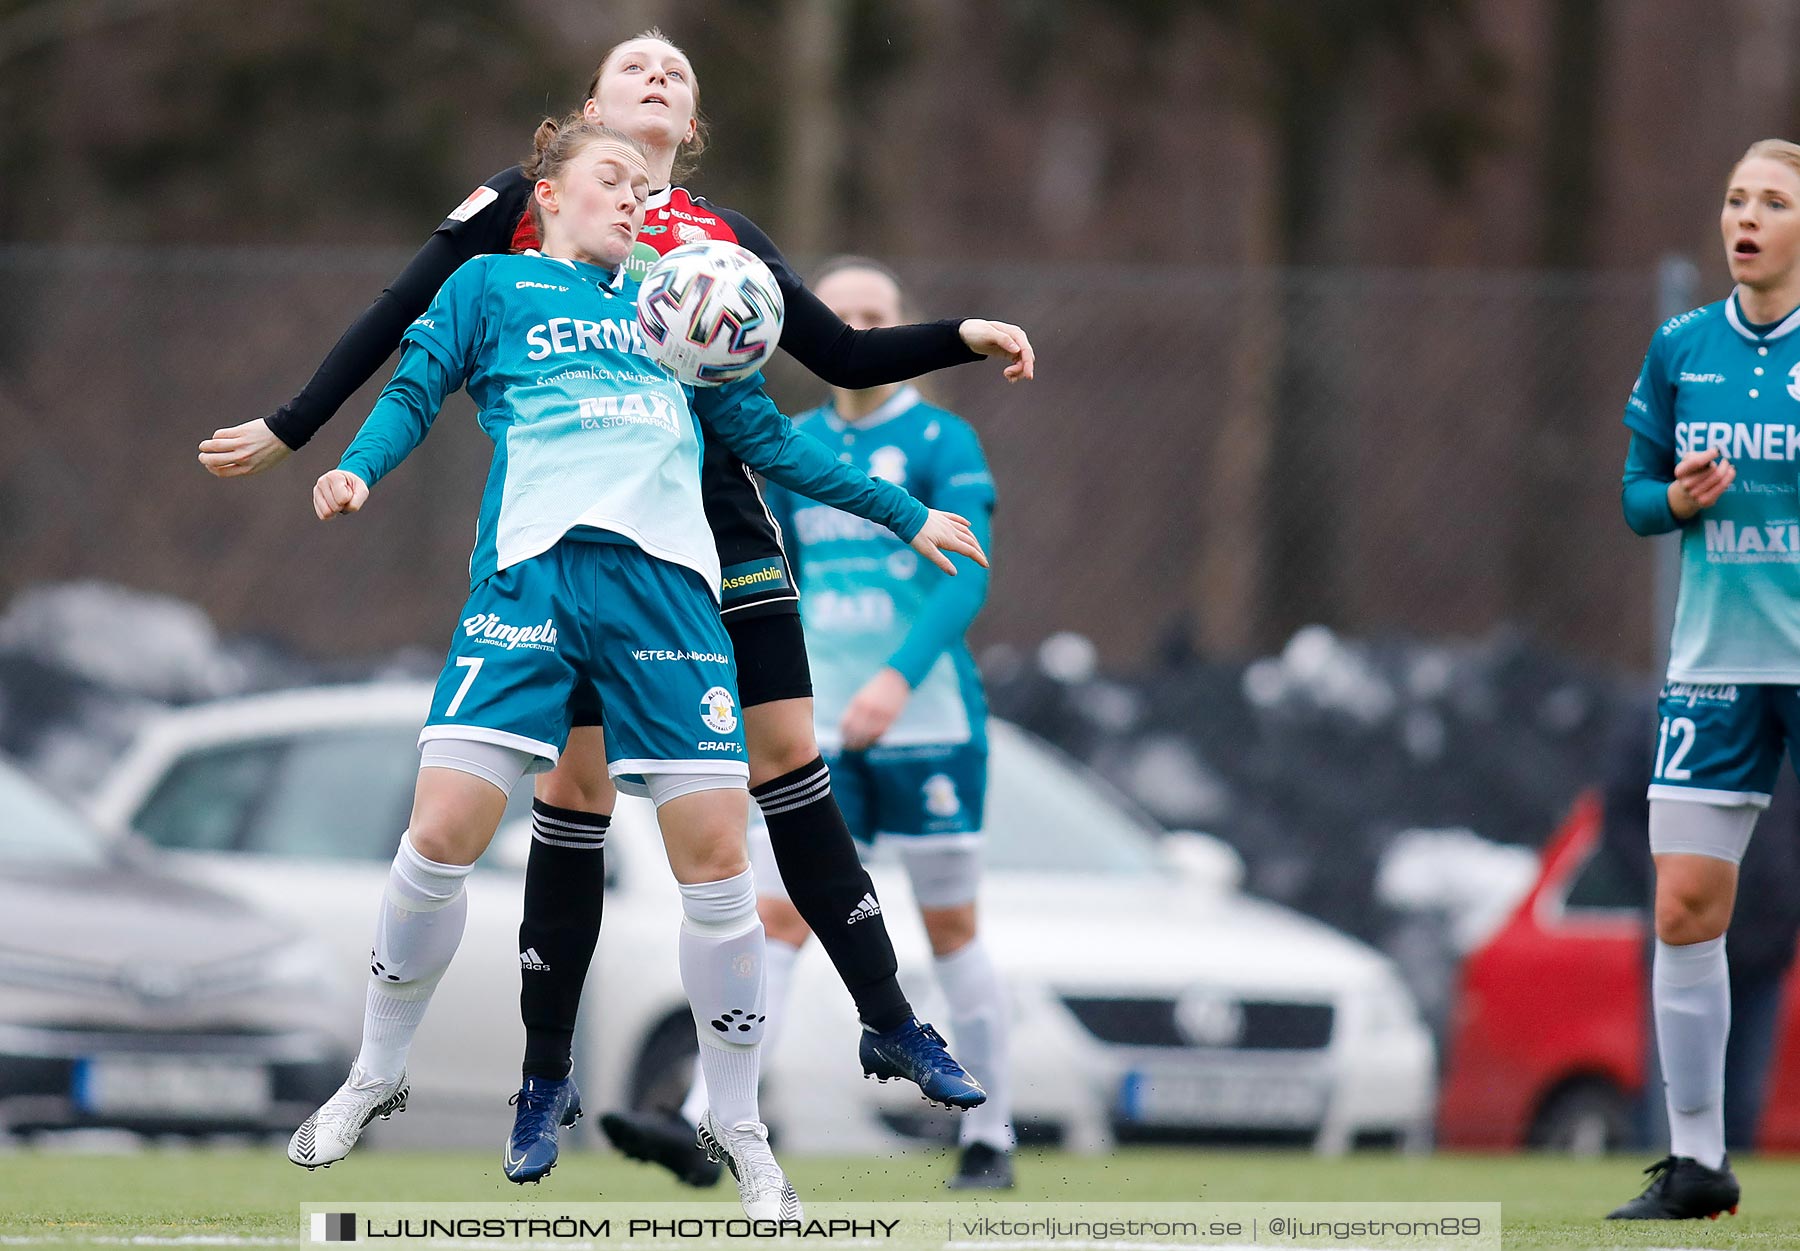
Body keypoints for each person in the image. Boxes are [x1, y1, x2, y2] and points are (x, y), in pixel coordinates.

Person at [200, 28, 1033, 1184]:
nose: (656, 79)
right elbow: (409, 328)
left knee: (771, 780)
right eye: (632, 67)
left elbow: (827, 364)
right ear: (572, 133)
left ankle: (847, 1042)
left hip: (701, 541)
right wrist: (307, 435)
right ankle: (535, 1075)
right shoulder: (510, 236)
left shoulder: (701, 265)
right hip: (551, 549)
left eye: (679, 72)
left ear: (690, 134)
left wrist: (937, 385)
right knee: (545, 800)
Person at [613, 257, 1015, 1190]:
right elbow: (761, 561)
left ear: (896, 327)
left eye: (875, 313)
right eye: (842, 316)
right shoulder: (787, 438)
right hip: (817, 718)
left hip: (928, 719)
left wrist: (895, 678)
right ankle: (708, 1120)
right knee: (779, 913)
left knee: (951, 927)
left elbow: (974, 573)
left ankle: (991, 1135)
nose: (858, 328)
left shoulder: (941, 438)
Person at [1607, 137, 1800, 1221]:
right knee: (1684, 906)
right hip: (1716, 665)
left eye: (1773, 202)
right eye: (1735, 199)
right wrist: (1678, 501)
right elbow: (1634, 497)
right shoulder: (1682, 347)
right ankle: (1695, 1165)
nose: (1748, 217)